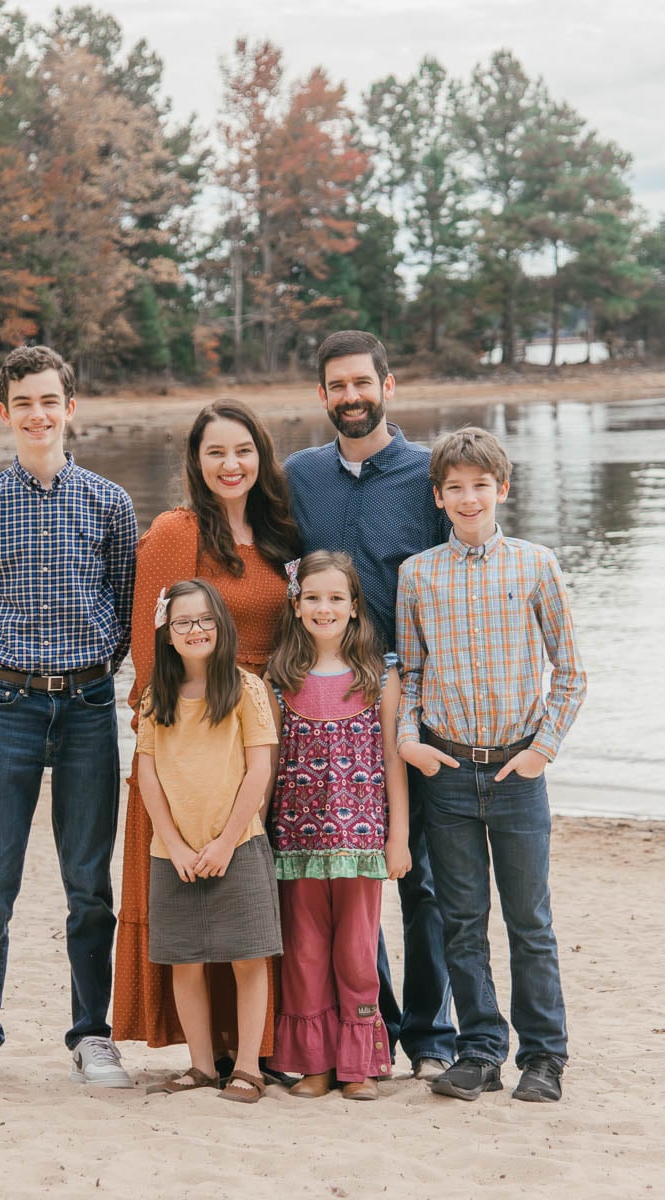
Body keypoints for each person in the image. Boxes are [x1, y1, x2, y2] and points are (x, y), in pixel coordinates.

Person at [0, 345, 138, 1089]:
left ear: (70, 408)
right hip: (7, 709)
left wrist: (87, 678)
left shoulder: (110, 503)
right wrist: (6, 673)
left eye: (50, 401)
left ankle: (91, 1035)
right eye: (24, 404)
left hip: (86, 707)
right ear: (5, 412)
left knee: (89, 885)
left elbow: (122, 612)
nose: (39, 415)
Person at [283, 329, 455, 1079]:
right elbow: (272, 570)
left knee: (417, 878)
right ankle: (369, 1031)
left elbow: (458, 582)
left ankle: (431, 1037)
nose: (351, 396)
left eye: (363, 382)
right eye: (337, 386)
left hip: (410, 698)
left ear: (390, 386)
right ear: (323, 396)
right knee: (343, 882)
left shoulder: (428, 476)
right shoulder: (300, 476)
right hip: (327, 701)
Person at [396, 426, 586, 1103]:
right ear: (440, 497)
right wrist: (410, 740)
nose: (469, 497)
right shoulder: (416, 574)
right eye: (456, 488)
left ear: (502, 489)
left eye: (481, 485)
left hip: (517, 774)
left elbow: (571, 671)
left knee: (530, 921)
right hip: (446, 772)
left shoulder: (535, 565)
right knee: (461, 917)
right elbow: (409, 676)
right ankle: (479, 1048)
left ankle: (543, 1055)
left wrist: (542, 751)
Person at [112, 399, 300, 1057]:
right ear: (195, 461)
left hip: (260, 727)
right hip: (191, 728)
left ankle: (258, 1049)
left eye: (243, 450)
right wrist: (163, 736)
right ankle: (202, 1051)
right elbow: (148, 645)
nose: (231, 463)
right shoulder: (174, 533)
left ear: (261, 457)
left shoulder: (278, 534)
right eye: (215, 451)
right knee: (191, 884)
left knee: (250, 890)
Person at [265, 552, 411, 1101]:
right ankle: (315, 1063)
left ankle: (360, 1065)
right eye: (312, 598)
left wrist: (398, 837)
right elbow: (270, 766)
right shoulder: (279, 678)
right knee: (303, 951)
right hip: (296, 843)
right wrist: (258, 832)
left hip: (362, 842)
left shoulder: (380, 676)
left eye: (335, 598)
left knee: (355, 950)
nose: (323, 608)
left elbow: (395, 762)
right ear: (296, 604)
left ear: (354, 608)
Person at [137, 579, 281, 1103]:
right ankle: (200, 1065)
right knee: (185, 961)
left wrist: (224, 843)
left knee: (248, 959)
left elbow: (258, 770)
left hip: (238, 846)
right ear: (168, 634)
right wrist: (173, 844)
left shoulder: (246, 689)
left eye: (204, 620)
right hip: (172, 853)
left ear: (221, 624)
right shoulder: (158, 696)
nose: (195, 630)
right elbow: (147, 775)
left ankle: (247, 1068)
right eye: (183, 622)